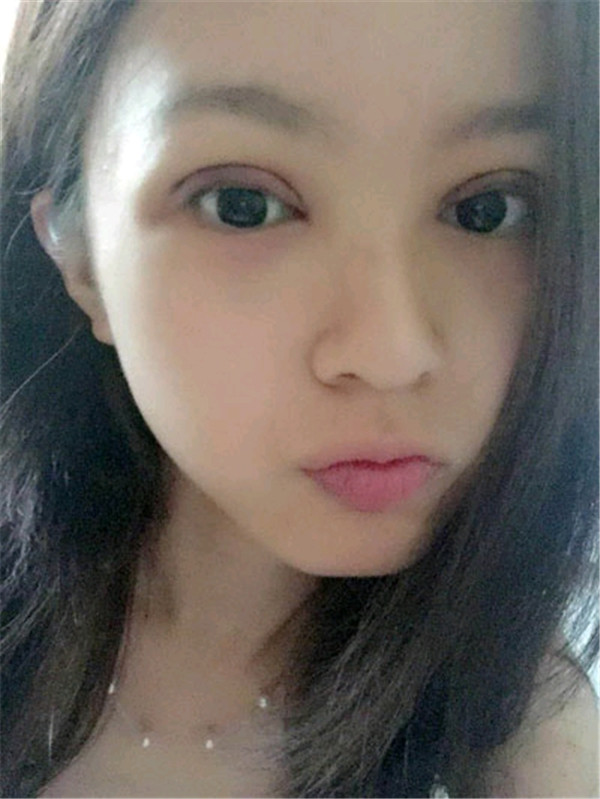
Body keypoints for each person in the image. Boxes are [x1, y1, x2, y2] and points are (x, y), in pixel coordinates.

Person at [1, 1, 598, 796]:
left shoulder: (525, 738)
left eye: (487, 210)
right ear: (80, 259)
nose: (390, 354)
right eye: (242, 205)